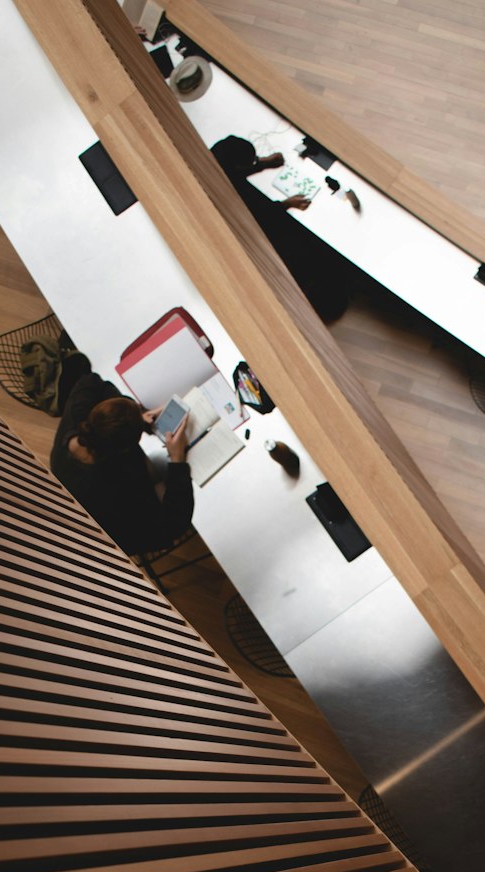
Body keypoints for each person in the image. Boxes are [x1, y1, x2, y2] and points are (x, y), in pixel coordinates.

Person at [50, 359, 194, 557]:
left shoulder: (79, 418)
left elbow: (91, 381)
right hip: (131, 531)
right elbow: (174, 525)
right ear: (124, 450)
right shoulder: (114, 488)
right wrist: (178, 460)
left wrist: (135, 416)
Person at [210, 135, 349, 323]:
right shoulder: (227, 189)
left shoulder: (214, 159)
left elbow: (234, 173)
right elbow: (260, 216)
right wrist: (286, 204)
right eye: (250, 162)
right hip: (259, 236)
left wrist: (262, 164)